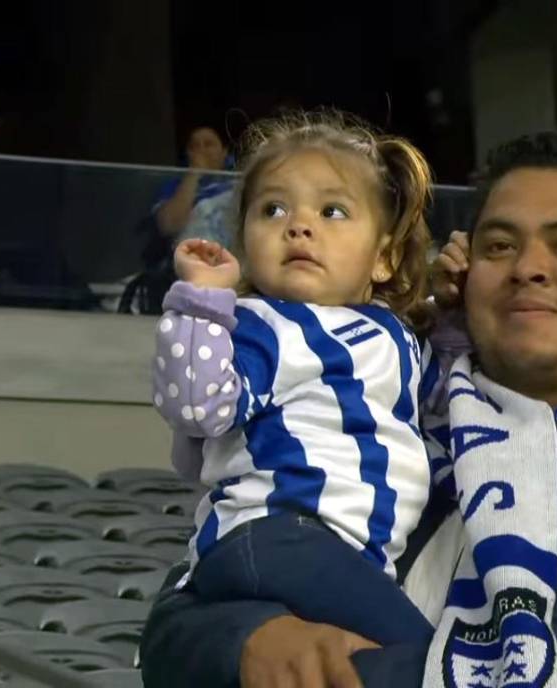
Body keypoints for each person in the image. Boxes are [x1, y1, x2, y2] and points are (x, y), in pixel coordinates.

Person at [141, 131, 557, 687]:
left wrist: (346, 675)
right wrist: (249, 643)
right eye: (500, 246)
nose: (527, 268)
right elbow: (178, 617)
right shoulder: (402, 428)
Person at [151, 111, 441, 652]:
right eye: (273, 209)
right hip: (279, 535)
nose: (298, 225)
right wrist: (204, 305)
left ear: (384, 257)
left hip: (343, 560)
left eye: (332, 211)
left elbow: (440, 400)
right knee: (422, 661)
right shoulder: (262, 324)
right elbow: (195, 409)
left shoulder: (394, 334)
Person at [153, 126, 239, 248]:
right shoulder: (174, 186)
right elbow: (169, 226)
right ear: (188, 153)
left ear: (224, 151)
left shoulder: (239, 183)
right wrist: (194, 173)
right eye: (194, 146)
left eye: (208, 144)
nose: (201, 150)